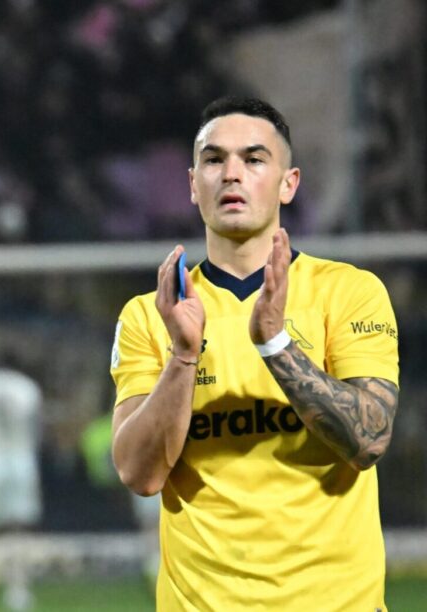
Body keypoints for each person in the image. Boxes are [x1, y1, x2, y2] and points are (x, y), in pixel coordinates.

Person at [109, 96, 399, 610]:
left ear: (289, 183)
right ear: (192, 184)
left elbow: (368, 440)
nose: (231, 173)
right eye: (214, 159)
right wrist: (182, 356)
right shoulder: (151, 314)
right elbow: (140, 475)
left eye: (254, 159)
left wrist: (275, 344)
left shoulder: (350, 292)